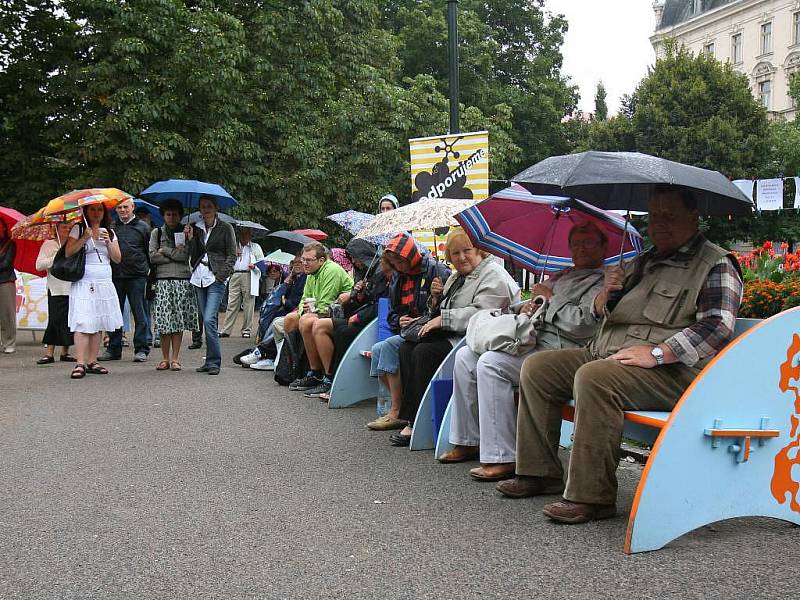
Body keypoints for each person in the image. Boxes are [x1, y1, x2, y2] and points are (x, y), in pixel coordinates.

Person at [497, 185, 743, 525]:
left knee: (595, 378)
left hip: (673, 372)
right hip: (609, 353)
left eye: (669, 215)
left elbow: (717, 327)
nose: (659, 223)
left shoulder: (715, 264)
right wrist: (610, 294)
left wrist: (659, 352)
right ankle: (539, 472)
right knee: (538, 368)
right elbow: (617, 315)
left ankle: (592, 497)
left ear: (693, 217)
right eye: (655, 216)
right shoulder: (641, 261)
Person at [440, 222, 608, 481]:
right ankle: (468, 440)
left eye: (588, 243)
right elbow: (536, 302)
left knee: (490, 363)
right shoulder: (563, 274)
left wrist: (550, 299)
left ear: (603, 247)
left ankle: (502, 456)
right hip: (531, 340)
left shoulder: (603, 282)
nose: (580, 249)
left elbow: (582, 325)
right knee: (465, 357)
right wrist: (525, 307)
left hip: (561, 351)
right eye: (575, 243)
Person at [389, 228, 520, 446]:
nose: (461, 258)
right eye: (455, 253)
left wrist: (443, 319)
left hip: (479, 339)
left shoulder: (494, 275)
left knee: (424, 352)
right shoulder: (457, 277)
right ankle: (413, 416)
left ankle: (418, 423)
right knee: (406, 347)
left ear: (480, 250)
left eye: (466, 250)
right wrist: (436, 298)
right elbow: (440, 310)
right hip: (456, 335)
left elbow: (484, 313)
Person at [366, 233, 450, 431]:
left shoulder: (436, 271)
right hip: (409, 330)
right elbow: (392, 314)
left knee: (389, 347)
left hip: (430, 330)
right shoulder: (397, 276)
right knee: (378, 349)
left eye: (400, 260)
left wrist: (437, 296)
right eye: (393, 262)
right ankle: (401, 405)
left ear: (410, 255)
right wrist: (399, 320)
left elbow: (445, 309)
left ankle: (396, 411)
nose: (398, 266)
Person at [302, 238, 388, 398]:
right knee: (317, 325)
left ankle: (330, 379)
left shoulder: (380, 273)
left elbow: (379, 303)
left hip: (368, 321)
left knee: (337, 330)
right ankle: (322, 375)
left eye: (355, 257)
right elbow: (361, 301)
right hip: (357, 315)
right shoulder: (363, 272)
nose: (353, 261)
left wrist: (358, 307)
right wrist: (358, 295)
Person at [284, 242, 354, 391]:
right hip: (320, 311)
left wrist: (310, 311)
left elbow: (326, 304)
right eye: (303, 259)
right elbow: (304, 298)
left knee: (307, 321)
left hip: (342, 313)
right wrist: (305, 310)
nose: (304, 263)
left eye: (308, 260)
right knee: (290, 319)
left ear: (321, 260)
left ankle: (321, 374)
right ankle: (293, 369)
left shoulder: (331, 270)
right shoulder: (312, 272)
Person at [65, 204, 123, 378]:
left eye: (100, 210)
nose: (96, 213)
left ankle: (92, 360)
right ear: (86, 211)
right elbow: (68, 252)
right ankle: (80, 362)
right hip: (84, 280)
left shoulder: (110, 232)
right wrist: (84, 238)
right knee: (83, 320)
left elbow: (118, 258)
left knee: (98, 322)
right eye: (92, 210)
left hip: (104, 280)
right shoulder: (78, 228)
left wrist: (107, 242)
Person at [186, 195, 237, 375]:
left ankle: (215, 362)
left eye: (209, 206)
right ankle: (209, 361)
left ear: (215, 208)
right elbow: (193, 253)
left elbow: (232, 255)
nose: (205, 209)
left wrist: (221, 276)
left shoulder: (225, 227)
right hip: (199, 277)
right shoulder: (196, 228)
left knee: (209, 319)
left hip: (216, 278)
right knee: (205, 320)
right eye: (202, 206)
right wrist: (190, 238)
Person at [99, 198, 152, 362]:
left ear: (132, 207)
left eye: (125, 207)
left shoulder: (143, 227)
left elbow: (148, 251)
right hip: (116, 276)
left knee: (140, 313)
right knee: (114, 313)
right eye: (119, 208)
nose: (122, 210)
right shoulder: (111, 228)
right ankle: (114, 348)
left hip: (137, 276)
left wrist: (149, 274)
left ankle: (142, 348)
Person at [149, 199, 198, 371]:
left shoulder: (185, 233)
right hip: (162, 280)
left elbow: (185, 257)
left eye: (175, 214)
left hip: (182, 280)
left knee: (177, 321)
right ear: (163, 215)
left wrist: (165, 251)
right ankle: (164, 358)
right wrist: (174, 254)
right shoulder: (156, 233)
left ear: (180, 216)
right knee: (164, 322)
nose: (171, 217)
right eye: (168, 214)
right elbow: (152, 256)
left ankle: (176, 358)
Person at [246, 258, 306, 370]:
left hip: (295, 311)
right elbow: (283, 293)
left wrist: (286, 302)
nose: (297, 266)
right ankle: (262, 352)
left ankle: (264, 353)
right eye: (295, 264)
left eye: (300, 263)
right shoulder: (295, 279)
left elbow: (297, 300)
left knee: (277, 322)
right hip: (291, 310)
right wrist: (290, 277)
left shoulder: (305, 278)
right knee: (271, 317)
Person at [35, 221, 76, 364]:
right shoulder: (49, 244)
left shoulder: (75, 244)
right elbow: (39, 265)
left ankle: (65, 352)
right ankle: (49, 353)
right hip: (56, 287)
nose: (67, 230)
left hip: (72, 286)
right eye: (64, 227)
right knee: (55, 319)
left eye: (70, 228)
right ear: (56, 229)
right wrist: (56, 257)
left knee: (70, 320)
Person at [220, 226, 264, 339]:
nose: (244, 236)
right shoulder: (234, 246)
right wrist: (234, 254)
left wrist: (254, 266)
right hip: (234, 274)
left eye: (246, 233)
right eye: (241, 233)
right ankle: (226, 330)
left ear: (250, 234)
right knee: (231, 303)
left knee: (249, 304)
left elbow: (263, 264)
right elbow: (225, 259)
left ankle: (246, 330)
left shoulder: (255, 247)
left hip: (249, 275)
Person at [0, 218, 17, 354]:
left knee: (7, 313)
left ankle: (9, 342)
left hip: (5, 281)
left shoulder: (10, 244)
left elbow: (6, 264)